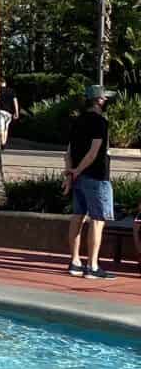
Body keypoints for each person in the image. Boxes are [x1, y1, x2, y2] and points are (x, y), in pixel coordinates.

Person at [66, 86, 113, 280]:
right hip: (95, 177)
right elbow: (94, 152)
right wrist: (78, 170)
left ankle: (75, 261)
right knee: (97, 220)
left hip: (78, 179)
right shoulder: (100, 122)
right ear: (99, 100)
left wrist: (71, 173)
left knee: (78, 216)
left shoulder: (77, 121)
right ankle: (92, 266)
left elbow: (68, 151)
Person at [0, 81, 20, 147]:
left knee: (1, 128)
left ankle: (2, 143)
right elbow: (15, 102)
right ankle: (4, 142)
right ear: (5, 83)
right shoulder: (11, 91)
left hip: (0, 112)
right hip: (9, 113)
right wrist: (16, 112)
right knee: (6, 128)